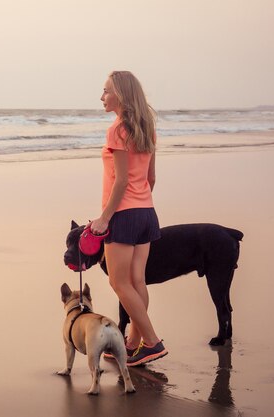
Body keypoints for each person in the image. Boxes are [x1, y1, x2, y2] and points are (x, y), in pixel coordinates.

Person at [89, 71, 167, 366]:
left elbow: (121, 182)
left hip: (123, 215)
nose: (102, 96)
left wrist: (104, 218)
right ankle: (133, 343)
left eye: (106, 91)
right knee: (137, 281)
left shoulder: (117, 131)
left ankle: (152, 342)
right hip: (147, 213)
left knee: (119, 282)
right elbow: (151, 178)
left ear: (120, 94)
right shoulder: (147, 128)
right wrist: (141, 204)